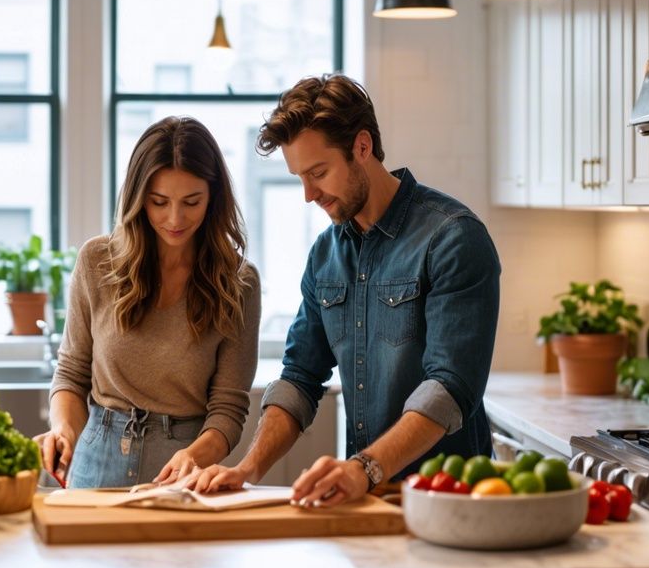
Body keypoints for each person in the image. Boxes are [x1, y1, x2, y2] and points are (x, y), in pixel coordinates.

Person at [189, 74, 500, 506]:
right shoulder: (325, 255)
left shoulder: (452, 238)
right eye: (299, 176)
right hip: (365, 497)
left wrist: (364, 466)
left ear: (362, 146)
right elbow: (300, 376)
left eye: (318, 172)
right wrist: (248, 469)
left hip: (451, 499)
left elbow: (449, 388)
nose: (308, 194)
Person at [38, 116, 261, 489]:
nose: (174, 219)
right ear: (139, 198)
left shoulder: (238, 282)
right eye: (159, 202)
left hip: (181, 471)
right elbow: (72, 374)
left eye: (192, 202)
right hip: (96, 460)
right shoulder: (97, 261)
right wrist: (63, 430)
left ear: (214, 197)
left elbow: (229, 410)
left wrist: (195, 455)